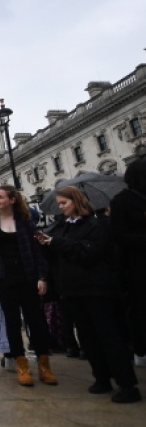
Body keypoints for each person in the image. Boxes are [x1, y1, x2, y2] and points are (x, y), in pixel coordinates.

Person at [38, 186, 140, 403]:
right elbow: (56, 254)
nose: (61, 207)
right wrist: (46, 244)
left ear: (76, 201)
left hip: (97, 289)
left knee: (108, 336)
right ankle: (101, 377)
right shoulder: (62, 228)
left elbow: (88, 253)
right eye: (59, 203)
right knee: (87, 336)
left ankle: (127, 384)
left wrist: (56, 243)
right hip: (72, 290)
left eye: (64, 202)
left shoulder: (97, 225)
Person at [0, 185, 57, 387]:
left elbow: (37, 250)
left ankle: (44, 365)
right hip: (3, 277)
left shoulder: (25, 221)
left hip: (28, 276)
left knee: (36, 320)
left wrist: (42, 276)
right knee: (12, 321)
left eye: (0, 197)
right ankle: (21, 365)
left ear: (12, 200)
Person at [110, 156, 146, 368]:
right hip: (136, 267)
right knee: (139, 309)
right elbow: (120, 236)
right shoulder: (122, 202)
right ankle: (140, 347)